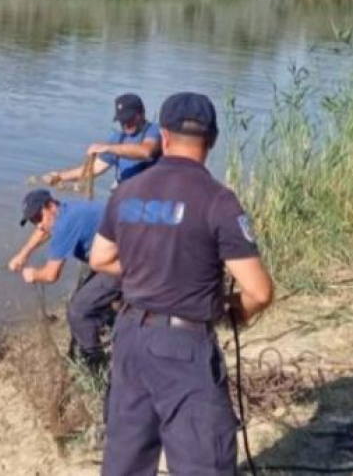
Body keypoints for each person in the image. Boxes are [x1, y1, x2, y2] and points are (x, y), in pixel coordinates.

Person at [89, 92, 274, 476]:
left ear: (165, 137)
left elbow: (100, 258)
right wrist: (233, 312)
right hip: (183, 347)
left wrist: (148, 272)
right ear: (212, 141)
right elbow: (259, 291)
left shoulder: (127, 192)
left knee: (125, 457)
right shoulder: (218, 201)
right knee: (203, 460)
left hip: (129, 336)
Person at [8, 189, 121, 371]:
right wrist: (23, 254)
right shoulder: (65, 211)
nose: (38, 225)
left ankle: (95, 367)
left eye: (39, 217)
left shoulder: (65, 224)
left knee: (79, 311)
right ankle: (119, 333)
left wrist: (33, 274)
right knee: (88, 301)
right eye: (33, 221)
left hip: (124, 262)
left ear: (50, 205)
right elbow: (44, 230)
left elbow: (52, 275)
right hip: (115, 256)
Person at [44, 93, 161, 189]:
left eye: (129, 119)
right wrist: (60, 176)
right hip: (126, 195)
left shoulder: (153, 130)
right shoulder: (118, 139)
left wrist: (108, 148)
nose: (125, 124)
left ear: (141, 114)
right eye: (122, 120)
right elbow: (94, 169)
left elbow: (146, 151)